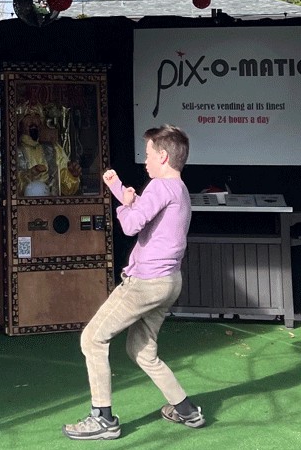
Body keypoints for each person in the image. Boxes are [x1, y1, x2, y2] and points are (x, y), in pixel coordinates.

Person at [62, 124, 204, 441]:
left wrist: (124, 204)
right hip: (169, 282)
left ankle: (103, 419)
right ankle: (186, 410)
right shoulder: (179, 189)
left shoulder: (159, 187)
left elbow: (131, 225)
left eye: (149, 154)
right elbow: (143, 212)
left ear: (163, 156)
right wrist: (119, 190)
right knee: (142, 351)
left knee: (92, 339)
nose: (145, 160)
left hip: (145, 283)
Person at [17, 109, 81, 196]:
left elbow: (66, 189)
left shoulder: (54, 149)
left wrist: (72, 176)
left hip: (51, 203)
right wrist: (30, 174)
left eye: (37, 116)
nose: (33, 120)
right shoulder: (13, 152)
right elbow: (7, 186)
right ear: (20, 123)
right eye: (28, 116)